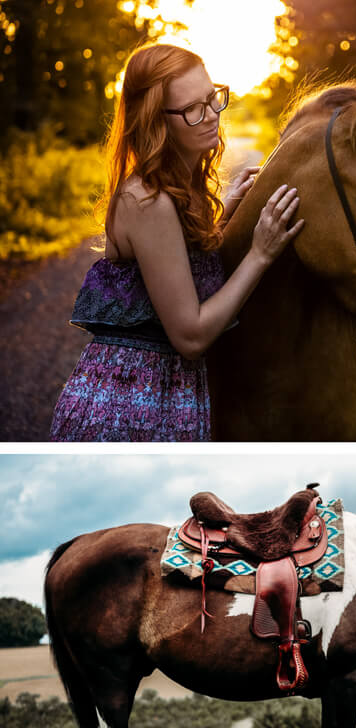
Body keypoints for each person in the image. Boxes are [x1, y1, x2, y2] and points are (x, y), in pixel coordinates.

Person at [49, 43, 304, 441]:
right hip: (127, 407)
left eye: (212, 98)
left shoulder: (179, 188)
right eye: (192, 109)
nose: (212, 117)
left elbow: (178, 268)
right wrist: (260, 253)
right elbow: (191, 336)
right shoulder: (147, 200)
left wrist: (222, 215)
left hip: (165, 396)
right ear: (155, 121)